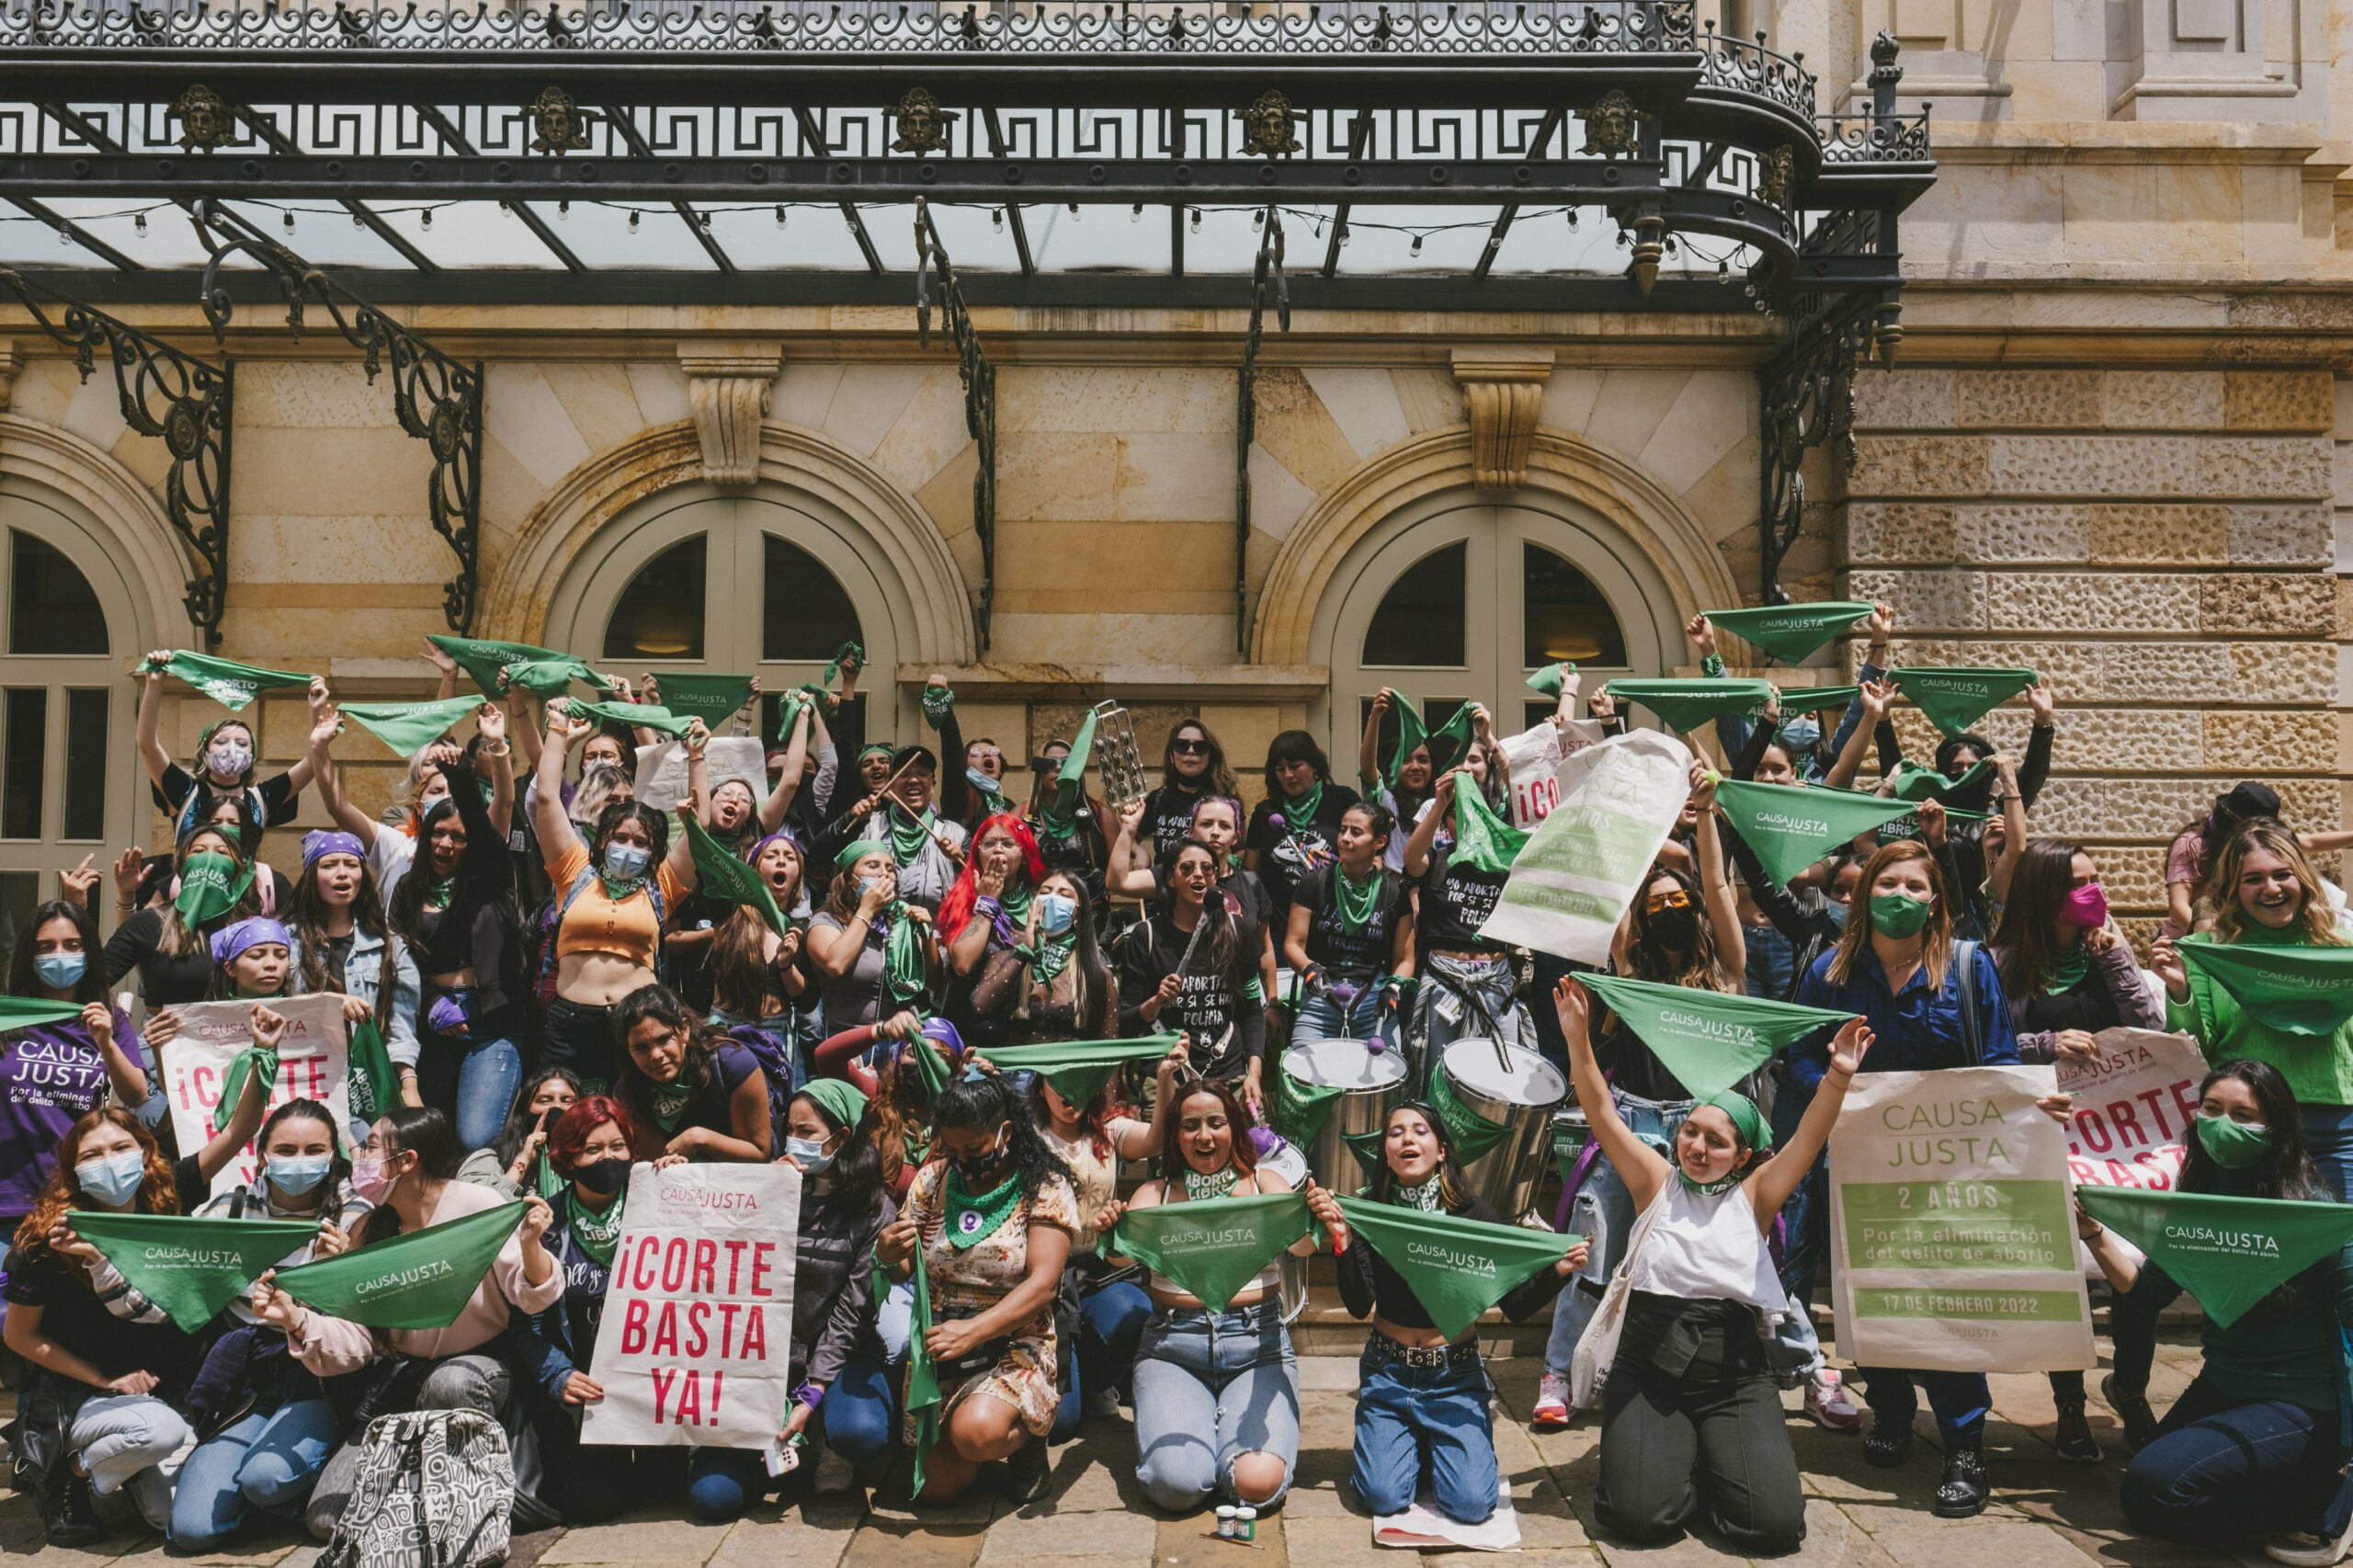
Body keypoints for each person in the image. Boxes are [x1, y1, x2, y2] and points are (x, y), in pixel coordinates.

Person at [1788, 839, 2055, 1516]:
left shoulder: (1968, 969)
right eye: (1888, 883)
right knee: (1869, 1294)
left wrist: (2032, 1104)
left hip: (1947, 1171)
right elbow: (1794, 1060)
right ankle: (1892, 1408)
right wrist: (1836, 1088)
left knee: (1948, 1298)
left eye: (1916, 886)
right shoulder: (1828, 972)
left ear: (1936, 899)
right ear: (1864, 892)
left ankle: (1965, 1444)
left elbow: (1995, 1059)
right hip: (1858, 1167)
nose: (1901, 896)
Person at [1553, 976, 1868, 1549]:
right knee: (1640, 1521)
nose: (1697, 1148)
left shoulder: (1755, 1194)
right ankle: (1675, 1460)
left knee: (1770, 1528)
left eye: (1716, 1142)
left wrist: (1838, 1075)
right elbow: (1600, 1108)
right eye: (1691, 1133)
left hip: (1734, 1377)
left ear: (1743, 1155)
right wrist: (1577, 1035)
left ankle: (1704, 1456)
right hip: (1649, 1369)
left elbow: (1808, 1140)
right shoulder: (1655, 1181)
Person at [1537, 767, 1745, 1427]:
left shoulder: (1726, 974)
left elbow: (1714, 886)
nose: (1666, 910)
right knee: (1595, 1250)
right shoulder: (1631, 972)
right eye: (1654, 905)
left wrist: (1705, 815)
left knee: (1732, 1252)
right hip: (1629, 1124)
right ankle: (1557, 1372)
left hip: (1701, 1131)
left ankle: (1794, 1365)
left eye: (1673, 902)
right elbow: (1624, 898)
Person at [249, 1105, 563, 1541]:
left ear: (407, 1160)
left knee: (450, 1384)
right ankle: (414, 1504)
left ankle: (465, 1506)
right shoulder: (366, 1230)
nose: (360, 1159)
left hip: (479, 1369)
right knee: (327, 1521)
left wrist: (531, 1246)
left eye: (372, 1148)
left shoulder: (477, 1205)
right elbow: (358, 1339)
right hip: (397, 1384)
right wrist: (298, 1319)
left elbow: (532, 1296)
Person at [2084, 1060, 2353, 1564]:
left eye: (2243, 1114)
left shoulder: (2313, 1209)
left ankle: (2327, 1503)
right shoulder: (2199, 1199)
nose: (2223, 1123)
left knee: (2156, 1486)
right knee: (2147, 1495)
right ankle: (2297, 1495)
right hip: (2223, 1387)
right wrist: (2095, 1234)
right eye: (2212, 1108)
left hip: (2301, 1404)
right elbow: (2145, 1294)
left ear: (2277, 1129)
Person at [3, 1064, 270, 1543]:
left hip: (167, 1389)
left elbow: (240, 1130)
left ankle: (129, 1467)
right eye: (93, 1154)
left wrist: (263, 1056)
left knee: (173, 1520)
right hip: (85, 1394)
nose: (109, 1161)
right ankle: (70, 1475)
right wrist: (105, 1380)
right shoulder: (49, 1241)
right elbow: (19, 1337)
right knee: (157, 1434)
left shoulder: (169, 1200)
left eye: (121, 1147)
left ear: (145, 1153)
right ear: (73, 1169)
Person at [1306, 1102, 1582, 1528]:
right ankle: (1410, 1443)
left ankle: (1436, 1445)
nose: (1407, 1138)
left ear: (1441, 1151)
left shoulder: (1474, 1217)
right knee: (1382, 1496)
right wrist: (1341, 1240)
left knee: (1471, 1506)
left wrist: (1558, 1271)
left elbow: (1514, 1305)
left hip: (1455, 1378)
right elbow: (1360, 1304)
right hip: (1388, 1374)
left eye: (1419, 1130)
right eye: (1395, 1132)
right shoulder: (1368, 1215)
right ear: (1385, 1152)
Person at [1989, 839, 2169, 1457]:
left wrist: (2117, 952)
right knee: (2059, 1270)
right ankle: (2068, 1401)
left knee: (2132, 1270)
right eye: (2078, 884)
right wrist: (2045, 1044)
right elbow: (1984, 1047)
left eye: (2097, 879)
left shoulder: (2106, 953)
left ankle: (2133, 1390)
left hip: (2120, 1137)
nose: (2093, 892)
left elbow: (2152, 1028)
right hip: (2043, 1130)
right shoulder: (2003, 961)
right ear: (2044, 894)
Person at [685, 1079, 899, 1517]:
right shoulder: (767, 1189)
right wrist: (764, 1196)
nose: (794, 1141)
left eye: (807, 1132)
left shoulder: (874, 1209)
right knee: (713, 1497)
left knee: (859, 1431)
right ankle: (770, 1449)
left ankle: (825, 1431)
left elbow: (852, 1312)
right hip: (761, 1359)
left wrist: (814, 1392)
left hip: (840, 1356)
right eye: (791, 1130)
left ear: (841, 1137)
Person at [170, 1097, 372, 1551]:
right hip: (246, 1384)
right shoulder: (232, 1208)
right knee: (191, 1531)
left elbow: (366, 1321)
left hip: (317, 1377)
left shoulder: (354, 1215)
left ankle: (309, 1466)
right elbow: (177, 1267)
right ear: (262, 1154)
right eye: (285, 1150)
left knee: (266, 1479)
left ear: (333, 1156)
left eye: (313, 1150)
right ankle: (260, 1494)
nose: (299, 1161)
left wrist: (343, 1273)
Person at [1108, 1079, 1317, 1514]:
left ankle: (1228, 1447)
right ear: (1175, 1136)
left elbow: (1302, 1247)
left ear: (1234, 1129)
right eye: (1190, 1125)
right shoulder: (1154, 1193)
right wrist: (1109, 1229)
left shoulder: (1265, 1182)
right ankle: (1204, 1440)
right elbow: (1114, 1258)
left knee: (1256, 1485)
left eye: (1216, 1122)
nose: (1204, 1135)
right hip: (1173, 1349)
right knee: (1177, 1486)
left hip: (1258, 1350)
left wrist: (1319, 1217)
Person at [873, 1072, 1077, 1506]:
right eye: (952, 1149)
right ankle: (970, 1443)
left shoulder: (1043, 1186)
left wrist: (974, 1331)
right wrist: (888, 1255)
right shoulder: (933, 1181)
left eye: (974, 1149)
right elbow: (906, 1267)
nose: (962, 1160)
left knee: (977, 1433)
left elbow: (1043, 1286)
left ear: (1005, 1132)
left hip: (1013, 1338)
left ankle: (1024, 1442)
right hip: (942, 1346)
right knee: (933, 1491)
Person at [2154, 820, 2353, 1199]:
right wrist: (2180, 992)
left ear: (2304, 879)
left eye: (2283, 875)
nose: (2272, 888)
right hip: (2244, 1128)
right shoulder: (2206, 951)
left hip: (2337, 1130)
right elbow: (2192, 1047)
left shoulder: (2343, 949)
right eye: (2254, 879)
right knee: (2261, 1251)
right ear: (2234, 889)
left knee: (2343, 1251)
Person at [532, 703, 709, 1092]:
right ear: (603, 840)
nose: (630, 846)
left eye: (641, 841)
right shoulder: (573, 871)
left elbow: (702, 823)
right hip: (569, 1023)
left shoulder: (662, 884)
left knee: (631, 1116)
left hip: (640, 1025)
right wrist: (557, 731)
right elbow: (546, 798)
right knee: (558, 1112)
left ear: (654, 849)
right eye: (621, 838)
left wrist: (697, 755)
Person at [1031, 1038, 1184, 1436]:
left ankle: (1100, 1380)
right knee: (1061, 1424)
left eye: (1080, 1082)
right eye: (1058, 1083)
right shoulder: (1025, 1136)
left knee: (1135, 1315)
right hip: (1047, 1276)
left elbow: (1155, 1139)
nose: (1069, 1094)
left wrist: (1165, 1077)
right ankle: (1075, 1378)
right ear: (1040, 1084)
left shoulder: (1109, 1130)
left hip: (1102, 1270)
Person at [381, 743, 528, 1151]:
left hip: (493, 1023)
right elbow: (398, 964)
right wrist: (430, 1004)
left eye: (459, 838)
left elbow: (484, 830)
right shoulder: (408, 890)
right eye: (439, 835)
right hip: (436, 1025)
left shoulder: (493, 880)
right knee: (432, 1138)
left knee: (476, 1136)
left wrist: (459, 774)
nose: (446, 845)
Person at [513, 1094, 647, 1526]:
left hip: (654, 1391)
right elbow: (523, 1323)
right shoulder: (544, 1226)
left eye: (618, 1146)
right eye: (593, 1149)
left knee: (674, 1487)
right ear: (567, 1159)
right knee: (592, 1504)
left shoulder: (663, 1207)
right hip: (587, 1398)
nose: (608, 1158)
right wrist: (556, 1374)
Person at [0, 900, 160, 1241]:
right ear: (29, 955)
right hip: (7, 1198)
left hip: (75, 1196)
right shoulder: (7, 1017)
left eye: (72, 945)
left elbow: (136, 1094)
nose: (60, 954)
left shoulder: (109, 1017)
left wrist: (106, 1042)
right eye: (46, 947)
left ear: (89, 952)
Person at [1400, 751, 1534, 1058]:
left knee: (1502, 1069)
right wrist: (1438, 805)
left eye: (1474, 816)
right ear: (1446, 826)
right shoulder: (1438, 861)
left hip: (1495, 980)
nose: (1466, 822)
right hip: (1446, 980)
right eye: (1455, 817)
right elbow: (1410, 860)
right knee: (1438, 1067)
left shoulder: (1505, 865)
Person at [286, 827, 423, 1124]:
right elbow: (272, 1010)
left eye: (351, 864)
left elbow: (402, 1027)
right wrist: (327, 1003)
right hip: (304, 1078)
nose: (342, 873)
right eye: (329, 865)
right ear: (311, 874)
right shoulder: (285, 943)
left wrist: (408, 1085)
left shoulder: (391, 946)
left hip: (368, 1082)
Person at [1118, 837, 1267, 1095]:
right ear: (1170, 879)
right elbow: (1124, 1023)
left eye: (1207, 869)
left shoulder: (1237, 930)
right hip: (1165, 1077)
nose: (1198, 874)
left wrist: (1253, 1074)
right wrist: (1156, 1002)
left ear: (1215, 878)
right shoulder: (1147, 935)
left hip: (1230, 1076)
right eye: (1187, 868)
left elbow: (1252, 1010)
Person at [135, 652, 326, 836]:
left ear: (252, 755)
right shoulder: (185, 791)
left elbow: (312, 763)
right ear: (205, 751)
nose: (232, 749)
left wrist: (315, 710)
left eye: (242, 743)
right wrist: (154, 684)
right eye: (221, 741)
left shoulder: (262, 798)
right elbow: (147, 745)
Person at [1285, 801, 1415, 1056]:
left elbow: (1405, 959)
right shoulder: (1314, 882)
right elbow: (1293, 944)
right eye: (1343, 830)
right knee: (1303, 1080)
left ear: (1379, 842)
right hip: (1322, 997)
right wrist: (1310, 969)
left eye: (1356, 832)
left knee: (1383, 1081)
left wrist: (1394, 988)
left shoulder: (1394, 893)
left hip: (1373, 1001)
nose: (1344, 838)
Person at [103, 823, 267, 1008]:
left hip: (234, 1033)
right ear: (182, 865)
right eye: (198, 851)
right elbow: (92, 984)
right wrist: (119, 1028)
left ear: (237, 868)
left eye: (222, 852)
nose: (209, 858)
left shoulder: (253, 929)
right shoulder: (149, 922)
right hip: (163, 1034)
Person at [2162, 782, 2353, 939]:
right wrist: (2210, 942)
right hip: (2198, 937)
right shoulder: (2192, 844)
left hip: (2246, 936)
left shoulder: (2261, 842)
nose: (2272, 887)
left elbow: (2309, 842)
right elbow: (2178, 906)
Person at [612, 983, 774, 1165]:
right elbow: (659, 1158)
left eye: (664, 1039)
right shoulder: (627, 1091)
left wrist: (699, 1139)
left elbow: (759, 1153)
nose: (655, 1055)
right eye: (641, 1048)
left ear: (685, 1029)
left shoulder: (733, 1063)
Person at [968, 869, 1120, 1046]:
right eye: (1045, 892)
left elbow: (1109, 1047)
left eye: (1065, 895)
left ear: (1079, 913)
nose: (1052, 899)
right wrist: (1025, 951)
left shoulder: (1096, 974)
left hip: (1066, 1071)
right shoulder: (1004, 959)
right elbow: (980, 1006)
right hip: (1015, 1070)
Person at [937, 812, 1048, 1040]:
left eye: (1008, 843)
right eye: (989, 843)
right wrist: (987, 902)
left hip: (1028, 1030)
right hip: (972, 1030)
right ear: (978, 852)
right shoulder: (961, 898)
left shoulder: (1041, 900)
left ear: (1024, 855)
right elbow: (963, 965)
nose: (998, 849)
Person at [807, 842, 935, 1032]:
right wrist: (867, 910)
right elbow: (835, 964)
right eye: (872, 866)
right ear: (850, 878)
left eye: (890, 869)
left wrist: (927, 936)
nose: (884, 874)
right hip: (847, 1046)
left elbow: (933, 983)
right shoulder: (827, 921)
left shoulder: (901, 924)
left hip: (896, 1047)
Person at [1244, 730, 1361, 935]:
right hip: (1278, 928)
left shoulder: (1342, 799)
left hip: (1334, 923)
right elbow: (1250, 872)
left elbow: (1366, 854)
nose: (1288, 775)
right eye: (1280, 769)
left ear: (1314, 765)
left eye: (1295, 766)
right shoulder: (1265, 812)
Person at [456, 1067, 583, 1198]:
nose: (557, 1107)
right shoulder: (489, 1160)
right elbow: (478, 1209)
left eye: (568, 1101)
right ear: (525, 1111)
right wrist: (523, 1160)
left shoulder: (591, 1160)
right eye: (544, 1100)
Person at [1136, 721, 1242, 864]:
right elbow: (1127, 836)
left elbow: (1241, 849)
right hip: (1163, 883)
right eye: (1182, 745)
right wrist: (1139, 852)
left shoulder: (1225, 801)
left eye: (1200, 747)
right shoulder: (1158, 799)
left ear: (1211, 756)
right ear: (1171, 755)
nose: (1190, 751)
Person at [1357, 688, 1438, 874]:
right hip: (1392, 890)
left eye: (1423, 760)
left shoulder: (1444, 804)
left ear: (1433, 766)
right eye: (1405, 760)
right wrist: (1375, 718)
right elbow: (1368, 768)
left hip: (1433, 896)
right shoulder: (1386, 798)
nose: (1415, 767)